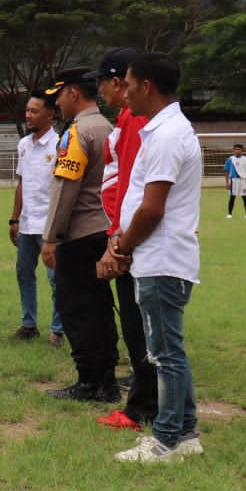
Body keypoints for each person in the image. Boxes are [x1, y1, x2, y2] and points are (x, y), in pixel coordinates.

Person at [98, 53, 204, 462]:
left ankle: (165, 440)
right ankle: (187, 434)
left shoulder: (165, 135)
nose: (122, 91)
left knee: (163, 353)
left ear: (146, 86)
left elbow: (151, 207)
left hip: (161, 257)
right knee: (169, 348)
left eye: (127, 83)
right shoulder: (164, 129)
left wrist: (122, 247)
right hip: (160, 255)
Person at [41, 68, 118, 402]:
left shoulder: (77, 133)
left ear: (73, 93)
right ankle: (108, 378)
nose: (57, 103)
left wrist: (51, 237)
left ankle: (89, 381)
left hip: (79, 234)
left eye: (59, 95)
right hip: (105, 230)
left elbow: (65, 188)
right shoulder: (108, 128)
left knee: (76, 308)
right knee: (101, 308)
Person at [94, 48, 157, 432]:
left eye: (102, 83)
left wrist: (117, 243)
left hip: (130, 239)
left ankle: (142, 407)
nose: (101, 91)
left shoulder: (135, 121)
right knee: (140, 326)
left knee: (139, 327)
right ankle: (145, 399)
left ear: (117, 83)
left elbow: (132, 187)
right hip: (126, 235)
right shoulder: (126, 120)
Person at [9, 90, 63, 347]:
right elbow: (21, 183)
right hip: (27, 223)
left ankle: (58, 329)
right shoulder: (23, 145)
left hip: (50, 224)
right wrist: (14, 218)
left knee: (55, 278)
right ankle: (29, 324)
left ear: (50, 114)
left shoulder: (59, 145)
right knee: (23, 273)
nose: (28, 115)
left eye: (34, 111)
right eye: (27, 110)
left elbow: (63, 188)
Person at [224, 143, 246, 219]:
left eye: (238, 149)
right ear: (233, 150)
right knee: (232, 197)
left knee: (245, 197)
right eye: (235, 149)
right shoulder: (230, 159)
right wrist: (227, 183)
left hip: (243, 180)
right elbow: (226, 171)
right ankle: (230, 214)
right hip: (233, 180)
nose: (237, 151)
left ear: (242, 150)